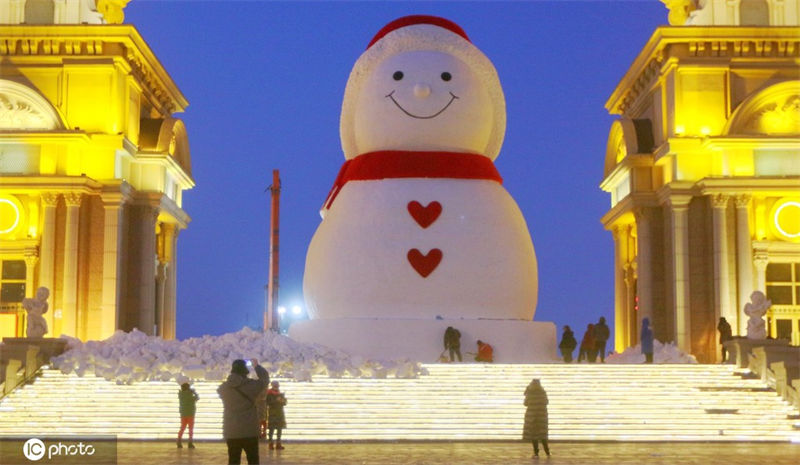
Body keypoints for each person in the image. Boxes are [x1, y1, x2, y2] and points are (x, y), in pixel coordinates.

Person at [218, 359, 270, 465]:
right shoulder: (252, 385)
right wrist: (256, 366)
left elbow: (220, 389)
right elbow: (265, 380)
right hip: (250, 430)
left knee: (233, 460)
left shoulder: (223, 388)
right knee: (253, 460)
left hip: (231, 430)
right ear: (245, 370)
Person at [522, 378, 550, 458]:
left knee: (534, 435)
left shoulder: (530, 393)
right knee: (542, 434)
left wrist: (527, 392)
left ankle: (536, 453)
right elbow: (546, 402)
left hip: (532, 416)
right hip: (541, 416)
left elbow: (525, 403)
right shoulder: (542, 392)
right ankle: (547, 452)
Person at [265, 381, 288, 450]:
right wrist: (276, 400)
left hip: (280, 413)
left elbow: (284, 403)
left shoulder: (280, 393)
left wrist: (283, 401)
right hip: (272, 413)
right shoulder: (269, 393)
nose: (276, 386)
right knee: (271, 429)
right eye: (275, 385)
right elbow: (268, 402)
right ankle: (270, 443)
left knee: (279, 429)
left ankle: (278, 443)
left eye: (277, 385)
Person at [177, 382, 199, 449]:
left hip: (183, 414)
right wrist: (194, 392)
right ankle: (190, 443)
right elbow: (197, 398)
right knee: (190, 429)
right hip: (190, 413)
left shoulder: (181, 395)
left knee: (182, 428)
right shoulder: (189, 395)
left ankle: (179, 441)